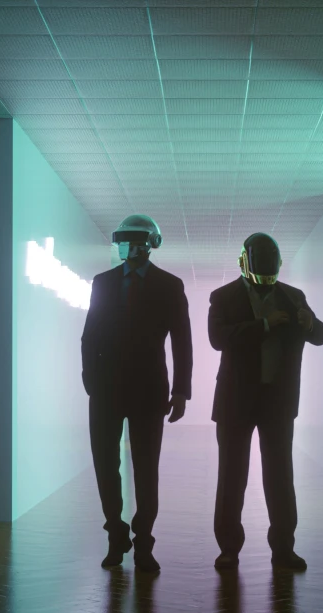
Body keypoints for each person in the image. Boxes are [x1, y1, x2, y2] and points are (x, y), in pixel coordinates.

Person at [208, 232, 323, 571]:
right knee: (232, 477)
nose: (265, 285)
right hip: (235, 404)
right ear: (244, 264)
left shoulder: (294, 296)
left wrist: (311, 324)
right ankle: (228, 549)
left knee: (280, 477)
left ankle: (284, 550)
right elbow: (218, 339)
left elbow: (320, 336)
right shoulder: (223, 297)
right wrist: (263, 324)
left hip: (278, 403)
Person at [81, 214, 192, 572]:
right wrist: (89, 379)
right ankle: (116, 534)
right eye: (125, 241)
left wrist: (181, 392)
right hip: (105, 391)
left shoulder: (169, 285)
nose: (132, 248)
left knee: (146, 470)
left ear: (152, 243)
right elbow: (90, 335)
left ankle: (144, 542)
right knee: (105, 466)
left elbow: (182, 342)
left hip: (149, 391)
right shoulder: (102, 283)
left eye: (139, 241)